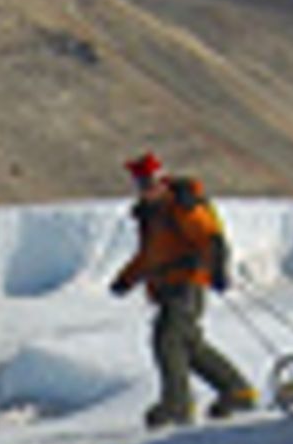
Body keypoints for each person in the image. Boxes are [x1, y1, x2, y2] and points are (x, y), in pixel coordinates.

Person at [109, 151, 257, 429]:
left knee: (167, 339)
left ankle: (177, 403)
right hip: (168, 288)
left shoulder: (181, 205)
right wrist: (126, 279)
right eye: (140, 184)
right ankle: (237, 391)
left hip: (188, 284)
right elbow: (149, 256)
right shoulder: (152, 216)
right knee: (189, 346)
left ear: (162, 182)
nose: (144, 190)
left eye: (148, 183)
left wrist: (217, 270)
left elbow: (210, 237)